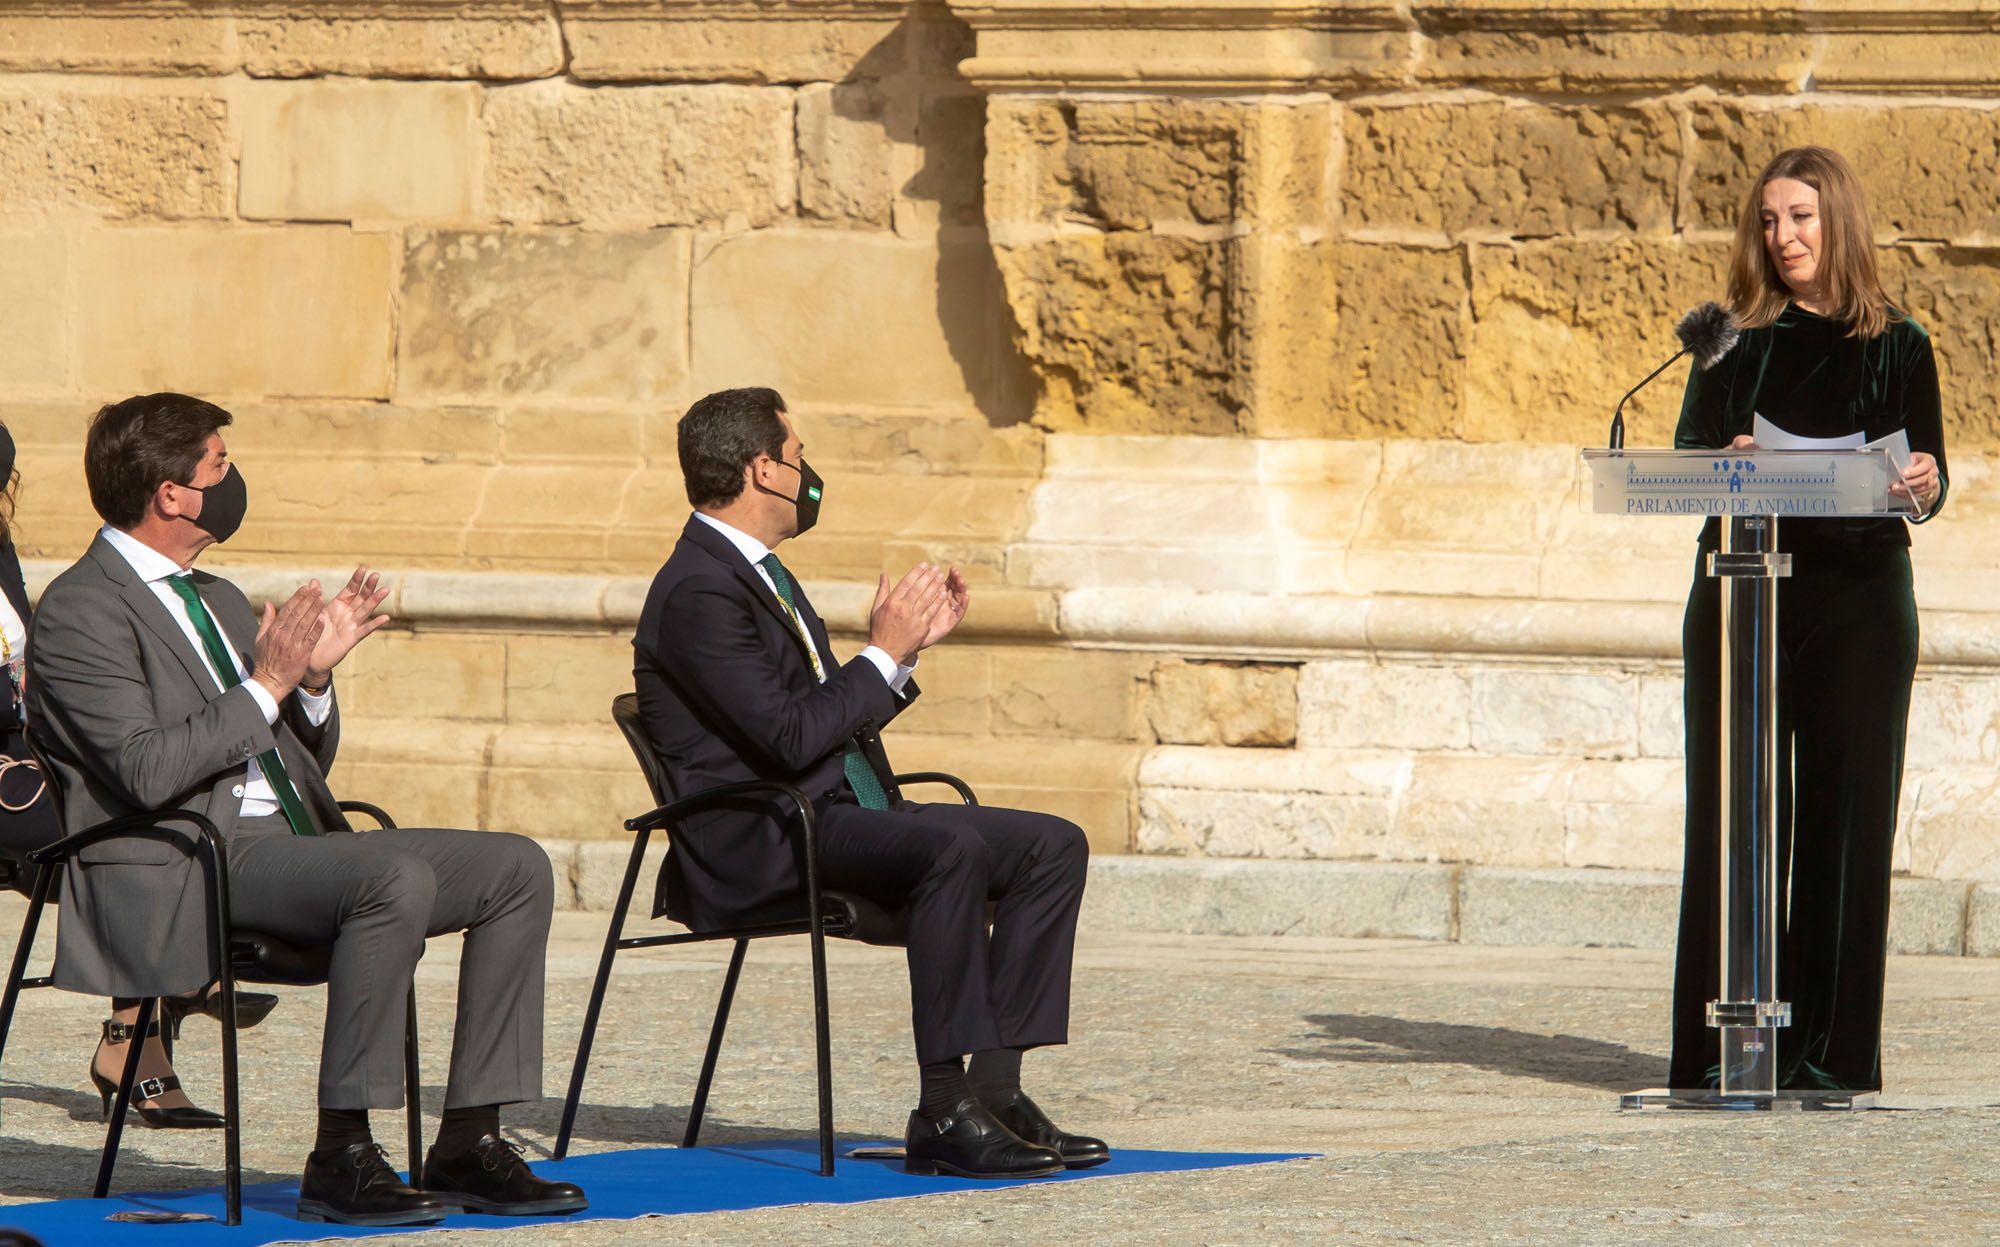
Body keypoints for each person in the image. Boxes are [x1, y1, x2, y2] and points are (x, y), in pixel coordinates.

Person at [26, 394, 586, 1226]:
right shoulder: (81, 608)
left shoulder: (213, 596)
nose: (231, 479)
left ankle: (470, 1138)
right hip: (188, 857)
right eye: (217, 465)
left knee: (516, 866)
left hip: (284, 846)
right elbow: (146, 771)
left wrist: (313, 683)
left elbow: (292, 763)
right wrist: (271, 682)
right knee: (388, 872)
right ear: (171, 493)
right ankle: (342, 1152)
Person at [633, 387, 1106, 1179]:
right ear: (762, 469)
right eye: (798, 455)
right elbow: (786, 738)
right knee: (948, 844)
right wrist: (877, 655)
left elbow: (813, 721)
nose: (808, 472)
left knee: (1051, 845)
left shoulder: (758, 574)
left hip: (831, 811)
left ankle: (994, 1089)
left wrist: (903, 654)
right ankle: (942, 1107)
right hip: (763, 835)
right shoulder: (698, 590)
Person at [1667, 146, 1948, 1094]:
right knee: (1732, 816)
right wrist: (1731, 456)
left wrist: (1925, 481)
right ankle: (1721, 1052)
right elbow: (1684, 459)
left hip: (1861, 601)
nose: (1782, 238)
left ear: (1838, 222)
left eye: (1801, 218)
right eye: (1769, 221)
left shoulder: (1900, 343)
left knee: (1845, 823)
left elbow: (1927, 479)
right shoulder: (1732, 338)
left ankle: (1829, 1056)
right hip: (1747, 592)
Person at [0, 420, 280, 1129]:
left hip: (24, 746)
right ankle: (181, 974)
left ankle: (142, 1026)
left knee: (139, 784)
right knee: (105, 809)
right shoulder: (86, 596)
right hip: (17, 760)